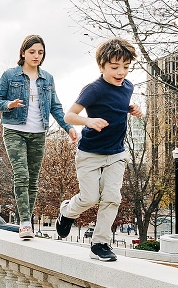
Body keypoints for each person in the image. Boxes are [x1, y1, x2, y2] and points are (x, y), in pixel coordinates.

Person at [55, 38, 142, 261]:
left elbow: (119, 104)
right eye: (114, 67)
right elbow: (69, 115)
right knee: (89, 198)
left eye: (125, 67)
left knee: (112, 197)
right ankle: (67, 212)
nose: (121, 72)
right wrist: (89, 121)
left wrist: (132, 108)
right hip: (90, 154)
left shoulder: (128, 86)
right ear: (102, 66)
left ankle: (100, 243)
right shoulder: (93, 89)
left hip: (116, 153)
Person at [0, 34, 76, 239]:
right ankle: (25, 223)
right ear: (23, 53)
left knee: (33, 180)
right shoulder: (10, 75)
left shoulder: (48, 78)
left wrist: (68, 127)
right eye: (32, 52)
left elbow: (55, 106)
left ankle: (26, 218)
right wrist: (8, 105)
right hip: (14, 130)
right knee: (22, 174)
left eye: (40, 52)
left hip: (39, 133)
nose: (36, 56)